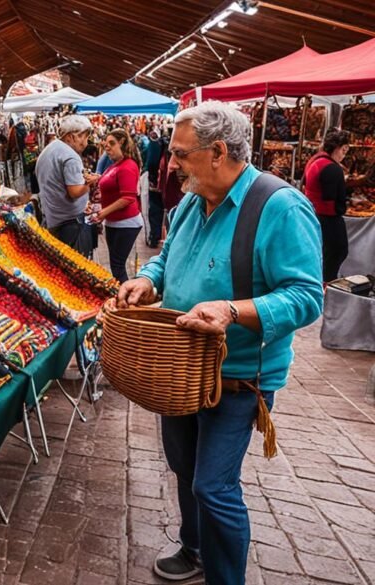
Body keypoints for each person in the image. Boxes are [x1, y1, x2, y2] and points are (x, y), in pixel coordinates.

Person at [118, 101, 322, 585]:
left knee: (214, 485)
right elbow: (166, 258)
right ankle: (194, 548)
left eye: (181, 154)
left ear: (220, 152)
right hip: (180, 367)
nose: (171, 165)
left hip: (237, 378)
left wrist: (232, 310)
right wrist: (147, 279)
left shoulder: (278, 205)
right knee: (183, 466)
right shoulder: (192, 200)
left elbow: (306, 296)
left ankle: (224, 576)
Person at [34, 115, 99, 257]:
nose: (86, 143)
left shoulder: (50, 149)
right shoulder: (70, 156)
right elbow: (74, 192)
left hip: (53, 217)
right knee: (75, 266)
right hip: (69, 222)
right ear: (71, 136)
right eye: (84, 137)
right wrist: (90, 183)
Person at [89, 129, 144, 282]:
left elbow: (128, 197)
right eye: (106, 145)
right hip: (114, 222)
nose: (108, 148)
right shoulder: (115, 165)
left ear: (122, 143)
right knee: (115, 265)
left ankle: (125, 298)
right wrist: (100, 199)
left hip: (126, 222)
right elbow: (113, 189)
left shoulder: (128, 166)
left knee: (118, 266)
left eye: (112, 144)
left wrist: (104, 212)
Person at [303, 130, 351, 281]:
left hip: (314, 214)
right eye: (343, 150)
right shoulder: (332, 168)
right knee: (337, 251)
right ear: (336, 147)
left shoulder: (315, 160)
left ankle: (321, 281)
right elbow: (334, 198)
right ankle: (326, 285)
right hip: (328, 218)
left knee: (321, 253)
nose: (344, 155)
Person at [145, 130, 165, 247]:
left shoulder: (155, 145)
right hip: (162, 183)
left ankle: (154, 237)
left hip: (155, 183)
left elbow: (151, 163)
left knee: (155, 210)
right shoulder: (163, 145)